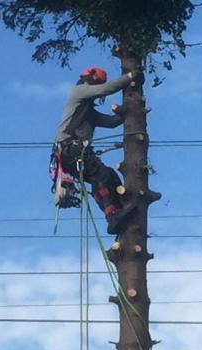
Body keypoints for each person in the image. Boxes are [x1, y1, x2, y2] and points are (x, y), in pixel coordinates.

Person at [54, 66, 140, 235]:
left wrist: (128, 112)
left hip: (73, 153)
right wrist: (130, 76)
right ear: (91, 79)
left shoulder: (88, 112)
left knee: (109, 176)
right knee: (101, 176)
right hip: (70, 149)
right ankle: (112, 215)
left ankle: (120, 210)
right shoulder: (78, 91)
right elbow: (106, 89)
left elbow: (111, 122)